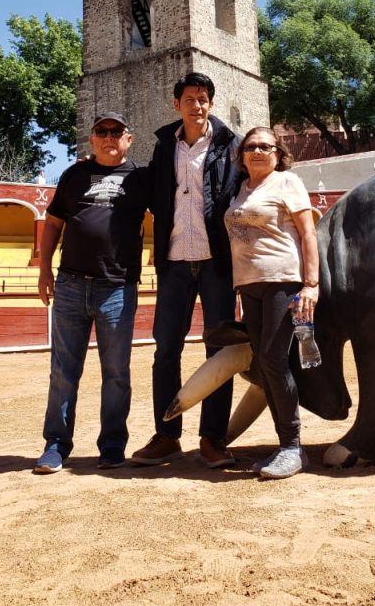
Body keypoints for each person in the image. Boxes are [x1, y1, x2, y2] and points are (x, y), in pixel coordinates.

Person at [130, 73, 241, 468]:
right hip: (174, 261)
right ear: (176, 104)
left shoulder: (232, 145)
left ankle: (212, 438)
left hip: (217, 263)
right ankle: (167, 434)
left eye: (204, 98)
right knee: (166, 351)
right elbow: (150, 196)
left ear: (211, 104)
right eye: (191, 98)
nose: (198, 104)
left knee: (220, 352)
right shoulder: (164, 148)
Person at [33, 111, 150, 474]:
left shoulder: (141, 179)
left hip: (116, 286)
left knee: (116, 372)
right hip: (70, 283)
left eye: (117, 132)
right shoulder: (74, 175)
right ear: (92, 138)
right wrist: (43, 270)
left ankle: (113, 445)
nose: (109, 137)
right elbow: (53, 224)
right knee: (63, 371)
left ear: (129, 139)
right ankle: (56, 445)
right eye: (103, 131)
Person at [224, 126, 319, 480]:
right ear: (242, 155)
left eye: (266, 146)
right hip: (249, 285)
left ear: (279, 153)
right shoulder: (242, 189)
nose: (258, 151)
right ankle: (286, 446)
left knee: (274, 360)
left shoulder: (287, 182)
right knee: (265, 363)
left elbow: (308, 232)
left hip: (282, 280)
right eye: (251, 147)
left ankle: (293, 446)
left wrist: (311, 284)